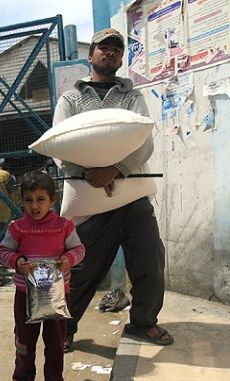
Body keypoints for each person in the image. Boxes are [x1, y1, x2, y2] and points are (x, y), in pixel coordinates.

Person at [53, 28, 173, 350]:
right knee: (81, 269)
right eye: (104, 48)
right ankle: (65, 328)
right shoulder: (71, 99)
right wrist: (90, 173)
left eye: (116, 50)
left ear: (121, 58)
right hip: (90, 199)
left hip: (132, 195)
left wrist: (115, 171)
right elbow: (61, 145)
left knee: (150, 258)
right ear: (90, 54)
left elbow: (143, 143)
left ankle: (144, 322)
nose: (110, 53)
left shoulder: (133, 97)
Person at [0, 170, 85, 381]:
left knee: (56, 342)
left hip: (57, 296)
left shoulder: (64, 226)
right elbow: (2, 252)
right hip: (25, 296)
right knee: (24, 341)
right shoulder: (17, 227)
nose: (34, 206)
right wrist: (18, 262)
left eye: (40, 200)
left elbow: (79, 250)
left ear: (53, 200)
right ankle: (23, 379)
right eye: (28, 200)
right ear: (22, 200)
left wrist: (68, 260)